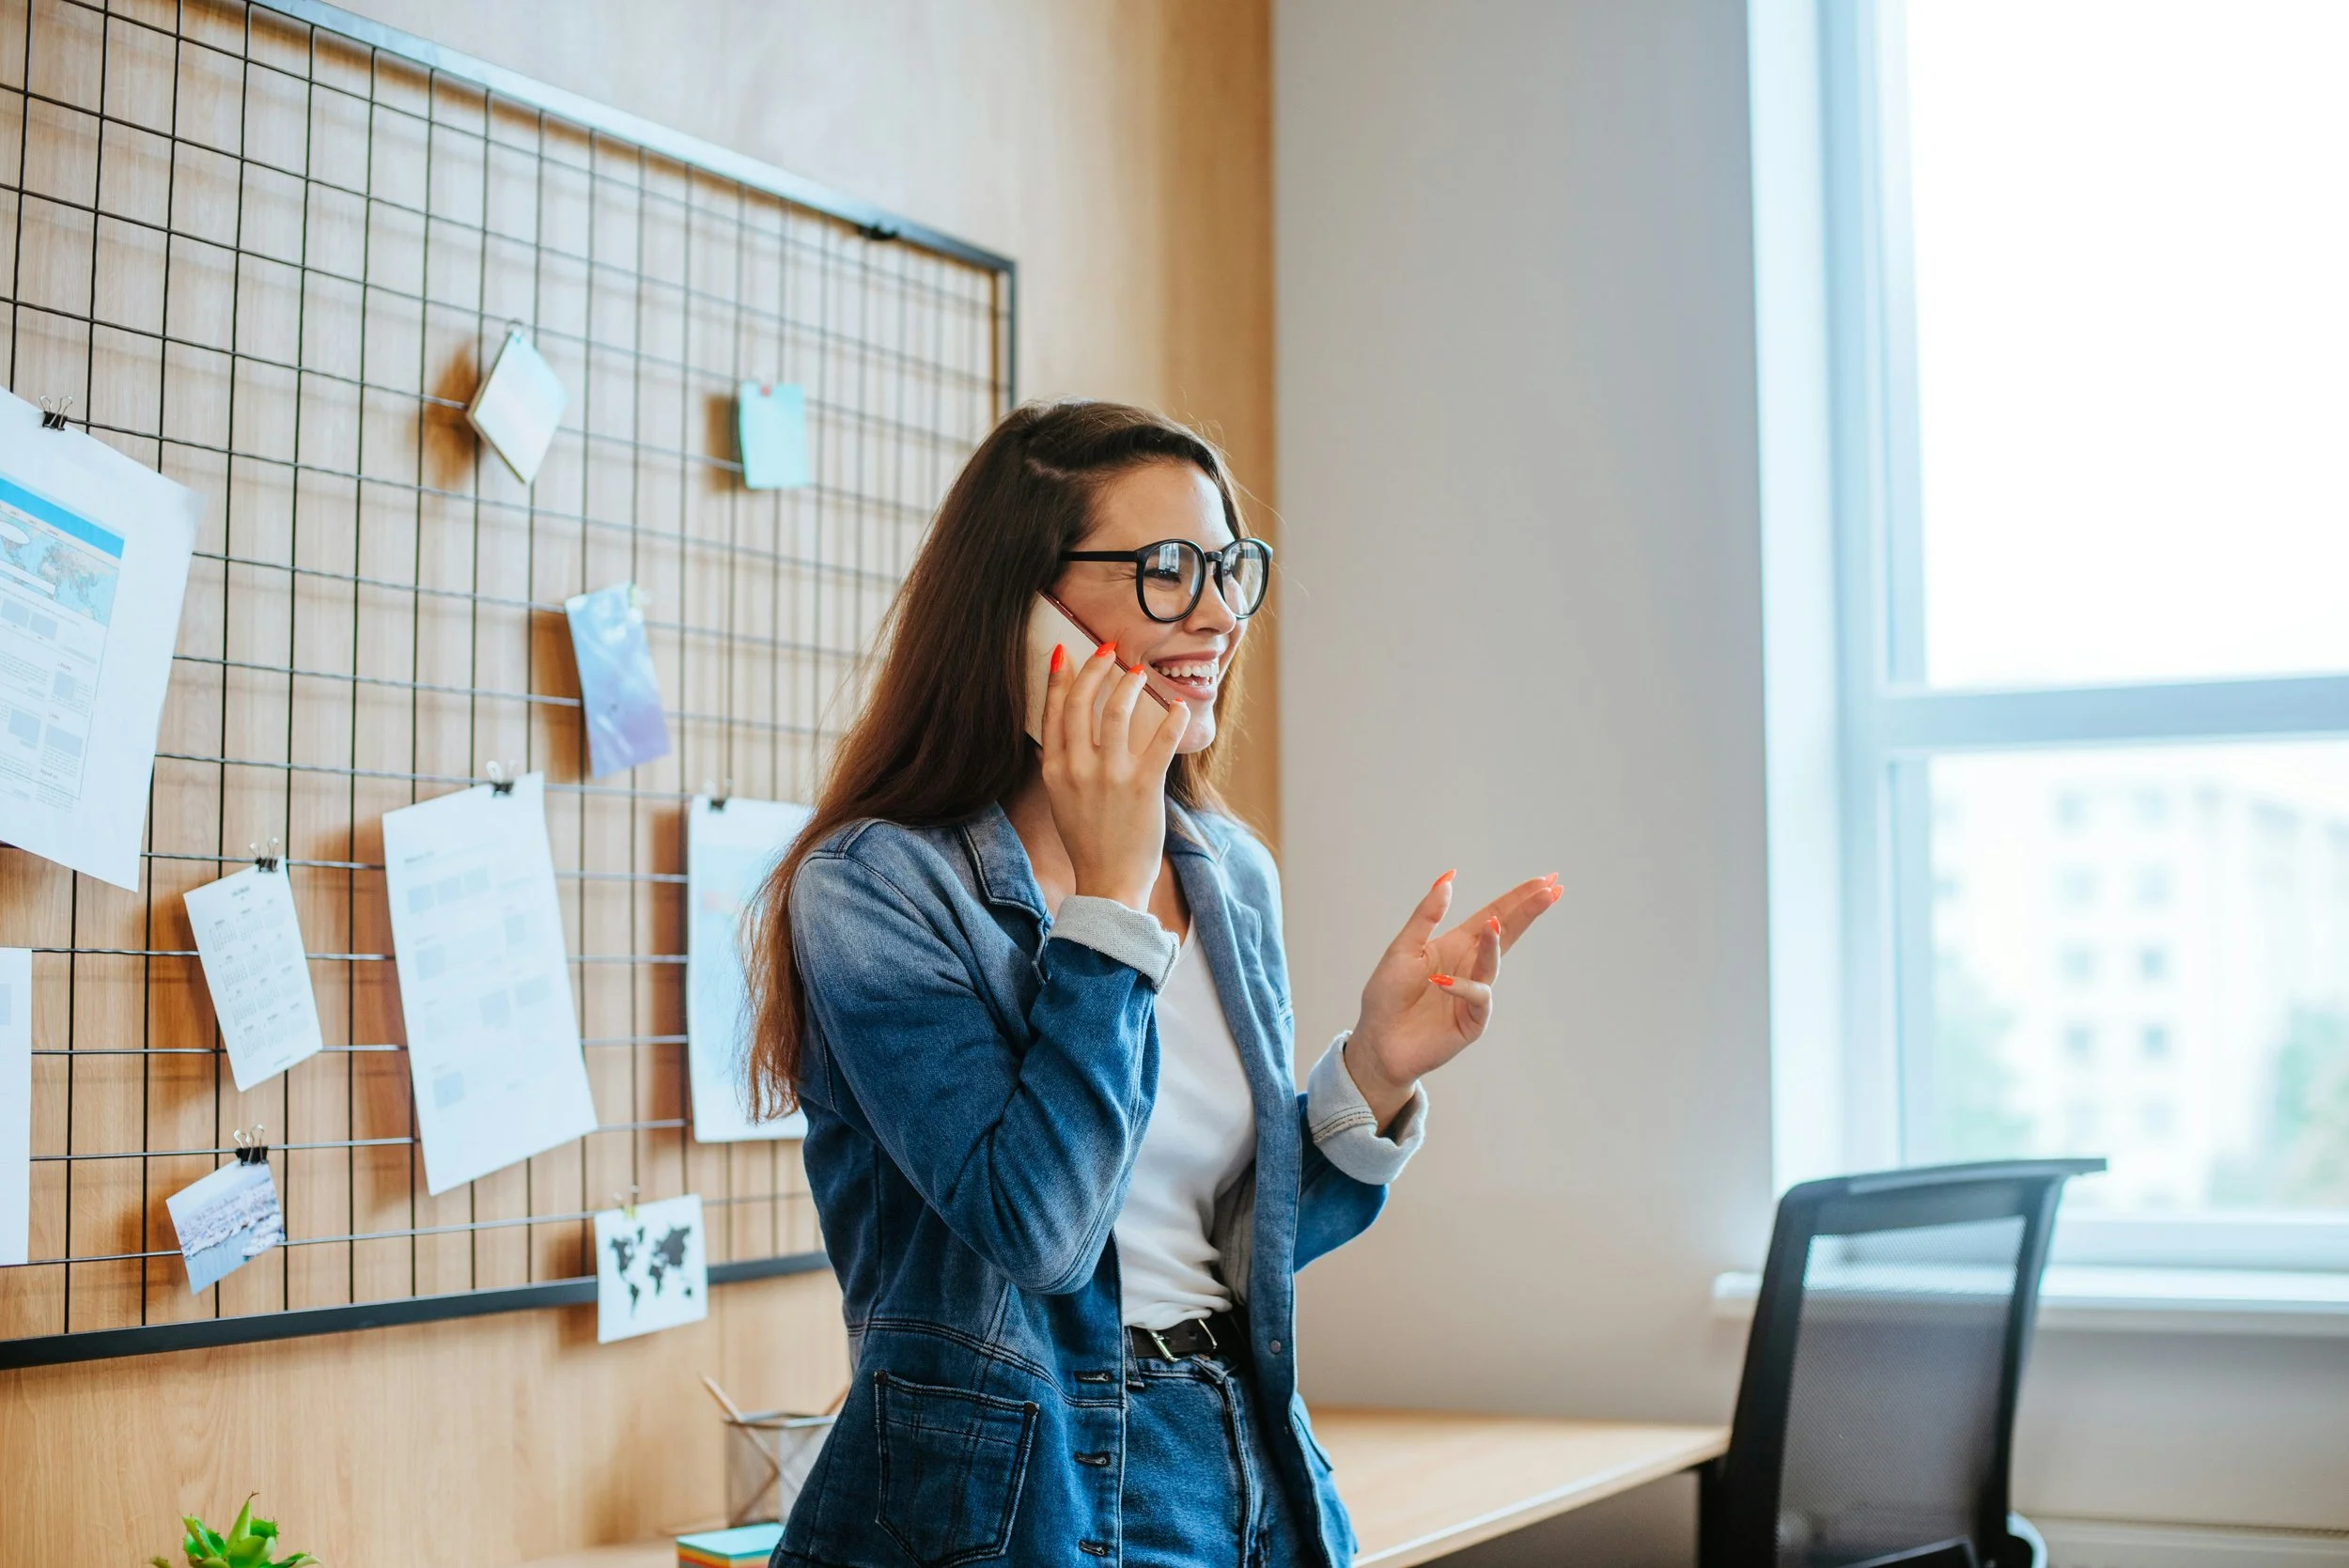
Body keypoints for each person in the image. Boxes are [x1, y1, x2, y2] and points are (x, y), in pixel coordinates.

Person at [748, 399, 1559, 1568]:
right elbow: (1042, 1230)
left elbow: (1228, 1247)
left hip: (1244, 1464)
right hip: (1017, 1502)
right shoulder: (876, 888)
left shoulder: (1226, 871)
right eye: (1169, 569)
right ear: (1023, 614)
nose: (1221, 614)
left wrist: (1371, 1072)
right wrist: (1108, 902)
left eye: (1230, 567)